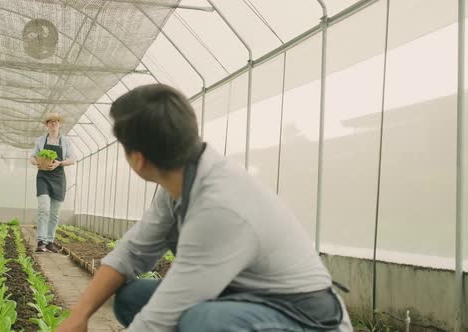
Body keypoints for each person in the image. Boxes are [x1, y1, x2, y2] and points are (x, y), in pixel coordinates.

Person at [57, 84, 352, 332]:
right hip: (245, 299)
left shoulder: (221, 206)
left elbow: (162, 316)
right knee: (132, 298)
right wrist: (79, 314)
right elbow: (132, 252)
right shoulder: (179, 180)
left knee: (203, 322)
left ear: (137, 159)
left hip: (306, 319)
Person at [29, 112, 75, 253]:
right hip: (43, 176)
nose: (53, 124)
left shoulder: (66, 141)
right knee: (44, 208)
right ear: (47, 125)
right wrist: (37, 161)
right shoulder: (41, 140)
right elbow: (32, 156)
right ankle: (41, 241)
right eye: (50, 122)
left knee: (54, 213)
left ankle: (50, 242)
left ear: (59, 124)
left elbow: (72, 159)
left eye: (56, 121)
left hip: (58, 177)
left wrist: (59, 163)